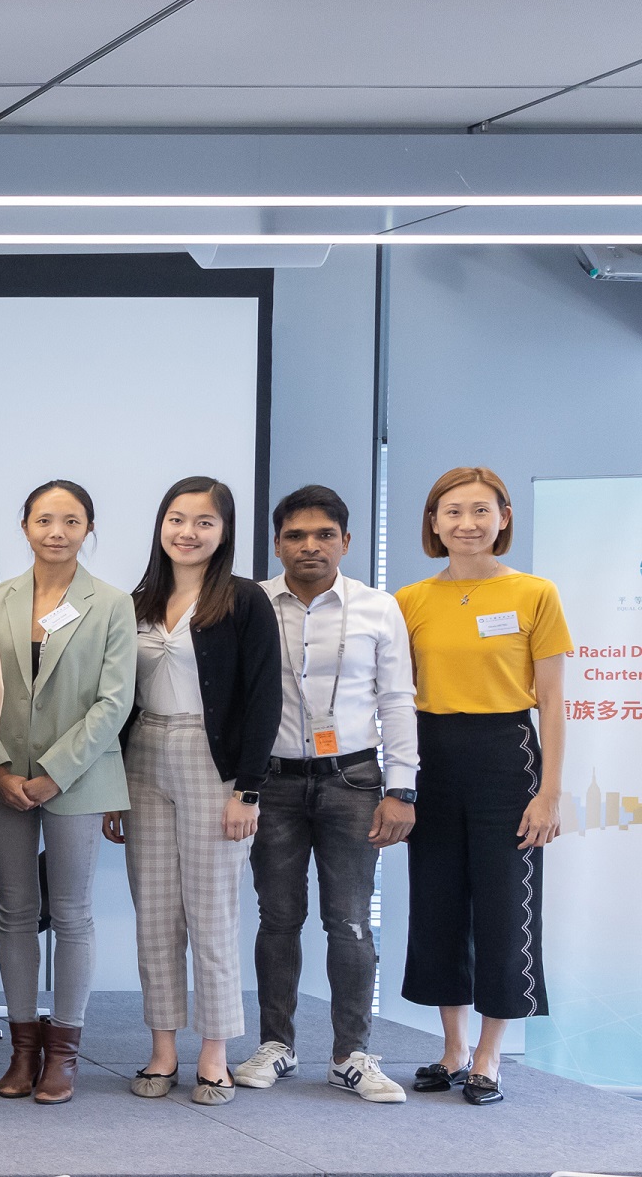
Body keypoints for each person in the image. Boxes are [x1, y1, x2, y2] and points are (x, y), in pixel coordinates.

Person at [232, 486, 417, 1104]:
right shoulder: (251, 602)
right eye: (295, 536)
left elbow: (396, 701)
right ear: (278, 542)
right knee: (278, 918)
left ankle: (351, 1055)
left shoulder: (377, 607)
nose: (309, 546)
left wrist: (402, 788)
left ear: (344, 540)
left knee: (350, 922)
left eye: (323, 535)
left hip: (355, 780)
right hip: (274, 783)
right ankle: (276, 1044)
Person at [395, 466, 570, 1107]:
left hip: (508, 755)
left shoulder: (535, 594)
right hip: (431, 755)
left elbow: (551, 701)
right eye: (452, 512)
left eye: (479, 511)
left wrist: (550, 791)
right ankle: (452, 1047)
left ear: (503, 519)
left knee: (505, 906)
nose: (466, 524)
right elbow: (394, 695)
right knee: (437, 900)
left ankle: (490, 1056)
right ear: (433, 523)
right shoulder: (409, 601)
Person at [109, 477, 279, 1106]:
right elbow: (115, 699)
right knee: (153, 911)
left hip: (215, 766)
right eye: (177, 519)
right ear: (161, 525)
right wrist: (111, 785)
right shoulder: (136, 601)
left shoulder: (243, 601)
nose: (188, 532)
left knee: (210, 911)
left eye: (204, 522)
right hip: (143, 758)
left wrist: (249, 791)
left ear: (225, 531)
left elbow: (266, 700)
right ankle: (162, 1048)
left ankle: (214, 1051)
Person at [0, 479, 135, 1106]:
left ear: (88, 528)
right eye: (45, 519)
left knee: (71, 915)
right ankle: (22, 1049)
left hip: (81, 778)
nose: (57, 531)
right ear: (26, 526)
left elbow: (114, 701)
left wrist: (56, 771)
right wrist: (0, 769)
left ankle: (63, 1054)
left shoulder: (113, 604)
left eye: (71, 520)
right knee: (15, 913)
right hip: (1, 777)